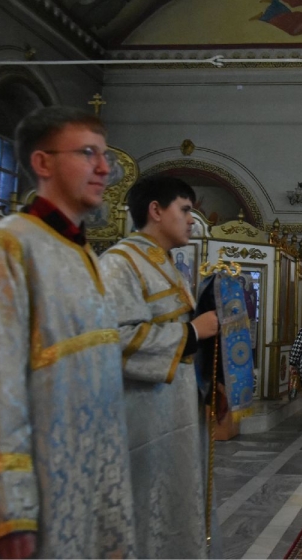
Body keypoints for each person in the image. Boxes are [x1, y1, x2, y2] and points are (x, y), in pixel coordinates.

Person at [0, 106, 136, 558]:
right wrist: (6, 510)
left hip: (82, 482)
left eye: (105, 156)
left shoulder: (80, 253)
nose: (104, 168)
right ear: (43, 163)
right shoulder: (9, 247)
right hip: (35, 497)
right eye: (88, 153)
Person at [100, 175, 222, 558]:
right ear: (155, 210)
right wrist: (193, 332)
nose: (192, 220)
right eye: (184, 210)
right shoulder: (119, 264)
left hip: (174, 413)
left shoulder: (164, 263)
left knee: (173, 508)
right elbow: (115, 340)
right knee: (146, 511)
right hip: (142, 420)